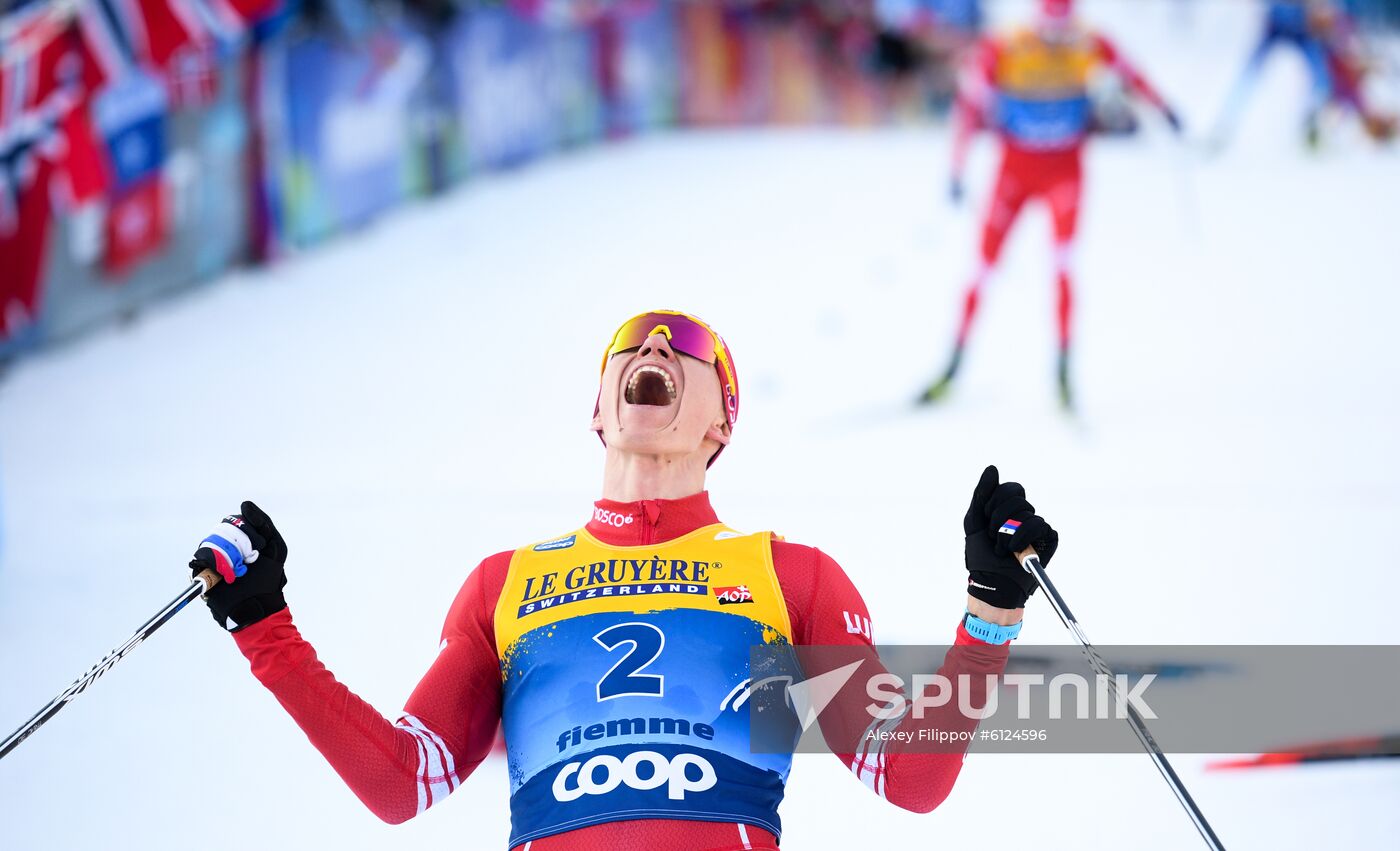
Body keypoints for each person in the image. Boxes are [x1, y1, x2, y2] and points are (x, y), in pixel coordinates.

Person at [190, 309, 1060, 850]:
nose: (654, 343)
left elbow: (906, 777)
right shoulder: (505, 583)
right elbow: (401, 780)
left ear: (723, 421)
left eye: (685, 345)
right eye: (631, 342)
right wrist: (265, 625)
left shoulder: (789, 575)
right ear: (599, 408)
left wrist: (991, 608)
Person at [926, 0, 1180, 409]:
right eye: (1049, 29)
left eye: (1062, 29)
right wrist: (956, 169)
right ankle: (953, 363)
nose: (1056, 38)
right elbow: (971, 106)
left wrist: (1165, 109)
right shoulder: (1008, 45)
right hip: (1015, 172)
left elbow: (1132, 75)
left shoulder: (1088, 42)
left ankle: (1063, 369)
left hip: (1065, 171)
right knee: (983, 267)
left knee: (1062, 264)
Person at [1209, 0, 1335, 150]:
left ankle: (1313, 128)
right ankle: (1224, 126)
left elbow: (1324, 11)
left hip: (1303, 31)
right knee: (1249, 75)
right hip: (1275, 28)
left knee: (1321, 79)